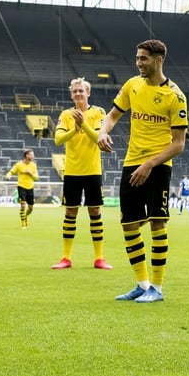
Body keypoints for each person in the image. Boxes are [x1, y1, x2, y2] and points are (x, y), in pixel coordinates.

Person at [97, 39, 188, 303]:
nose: (138, 63)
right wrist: (103, 131)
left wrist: (150, 164)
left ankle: (157, 289)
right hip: (131, 162)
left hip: (158, 166)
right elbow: (113, 115)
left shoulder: (175, 96)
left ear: (158, 60)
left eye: (144, 59)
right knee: (129, 224)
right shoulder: (132, 85)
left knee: (157, 223)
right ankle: (141, 283)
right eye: (137, 58)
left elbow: (179, 144)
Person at [52, 77, 112, 270]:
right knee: (70, 212)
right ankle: (66, 258)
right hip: (72, 172)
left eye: (81, 90)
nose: (78, 93)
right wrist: (75, 129)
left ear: (88, 93)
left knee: (95, 212)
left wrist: (83, 124)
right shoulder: (66, 114)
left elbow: (98, 138)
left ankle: (99, 258)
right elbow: (58, 139)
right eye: (75, 91)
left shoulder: (98, 112)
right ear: (71, 94)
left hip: (92, 171)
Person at [4, 149, 39, 229]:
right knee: (23, 205)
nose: (33, 156)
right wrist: (8, 175)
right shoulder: (19, 165)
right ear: (27, 155)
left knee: (30, 208)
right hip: (21, 187)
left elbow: (36, 177)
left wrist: (31, 173)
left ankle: (25, 216)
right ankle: (23, 223)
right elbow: (11, 172)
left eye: (33, 155)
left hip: (30, 188)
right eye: (32, 155)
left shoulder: (33, 165)